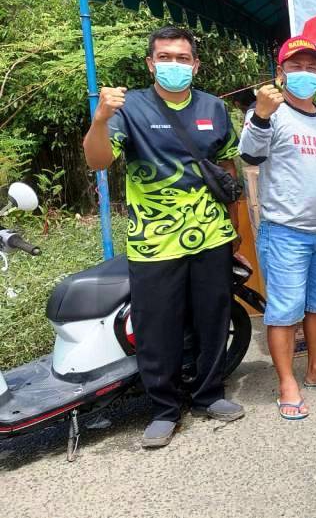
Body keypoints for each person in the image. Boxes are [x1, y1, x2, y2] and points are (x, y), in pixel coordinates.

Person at [82, 26, 244, 448]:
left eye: (183, 58)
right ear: (151, 63)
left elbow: (227, 170)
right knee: (158, 328)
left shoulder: (214, 107)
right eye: (166, 57)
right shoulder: (128, 108)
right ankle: (165, 409)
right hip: (153, 241)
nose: (175, 64)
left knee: (213, 319)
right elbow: (98, 160)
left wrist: (234, 228)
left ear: (196, 65)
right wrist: (100, 119)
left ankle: (210, 394)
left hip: (210, 236)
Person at [239, 36, 316, 421]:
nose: (305, 73)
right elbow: (250, 155)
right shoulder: (268, 114)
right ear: (281, 73)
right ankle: (288, 383)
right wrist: (259, 113)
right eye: (296, 67)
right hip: (286, 230)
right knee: (284, 311)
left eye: (311, 67)